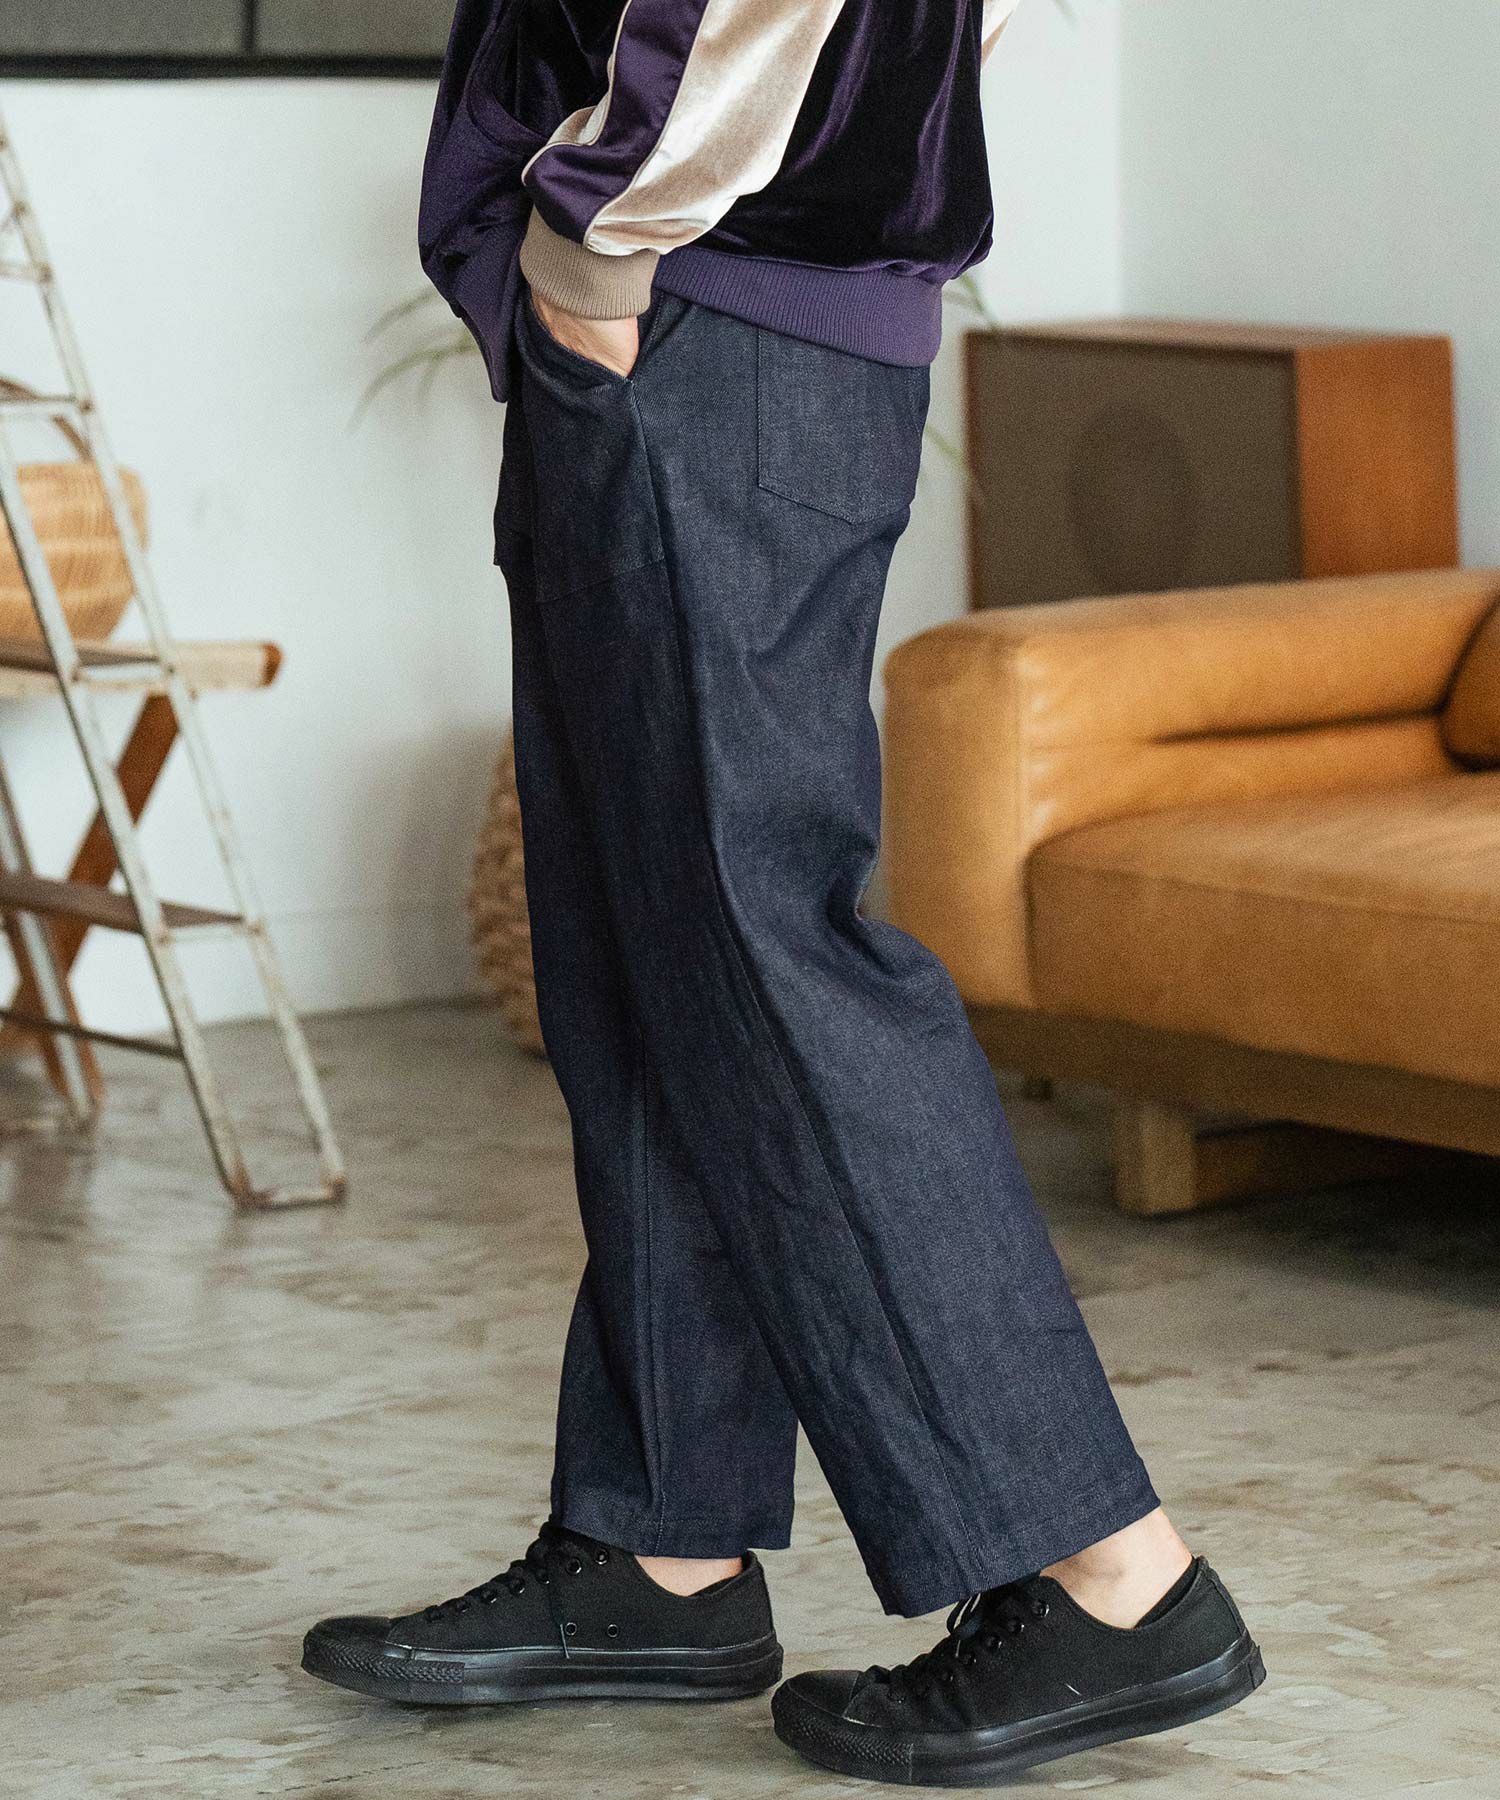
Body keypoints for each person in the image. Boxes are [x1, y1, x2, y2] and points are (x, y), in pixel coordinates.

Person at [302, 0, 1264, 1782]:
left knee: (764, 954)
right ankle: (660, 1547)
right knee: (643, 956)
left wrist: (596, 247)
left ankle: (1112, 1572)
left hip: (705, 318)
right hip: (715, 312)